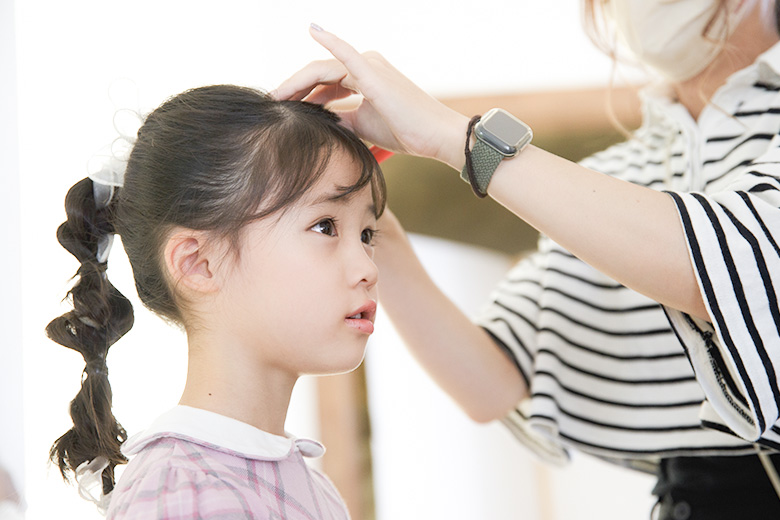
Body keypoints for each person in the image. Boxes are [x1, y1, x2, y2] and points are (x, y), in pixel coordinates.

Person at [274, 0, 780, 517]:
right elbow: (490, 382)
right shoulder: (612, 175)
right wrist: (371, 217)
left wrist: (456, 137)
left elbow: (726, 267)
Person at [46, 84, 386, 518]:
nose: (368, 269)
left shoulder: (308, 484)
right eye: (325, 226)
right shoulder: (183, 491)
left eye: (367, 235)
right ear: (199, 264)